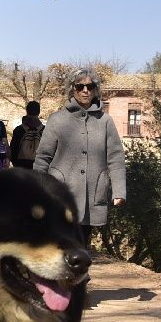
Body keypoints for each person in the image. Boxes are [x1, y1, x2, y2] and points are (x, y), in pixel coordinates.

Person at [33, 70, 126, 246]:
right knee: (61, 242)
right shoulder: (57, 120)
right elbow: (43, 156)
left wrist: (119, 190)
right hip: (60, 193)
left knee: (81, 243)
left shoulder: (105, 121)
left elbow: (116, 157)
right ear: (72, 89)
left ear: (95, 90)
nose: (85, 90)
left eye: (90, 86)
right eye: (80, 86)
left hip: (92, 195)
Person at [10, 101, 43, 169]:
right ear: (39, 112)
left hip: (21, 167)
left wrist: (16, 165)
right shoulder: (45, 130)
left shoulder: (19, 130)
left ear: (27, 111)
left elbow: (13, 151)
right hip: (38, 167)